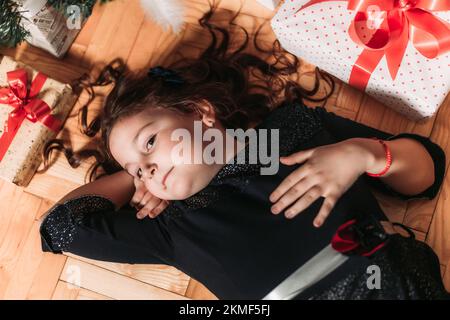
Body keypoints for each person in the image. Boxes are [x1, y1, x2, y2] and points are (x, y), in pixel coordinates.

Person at [38, 4, 448, 300]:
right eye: (137, 169)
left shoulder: (293, 131)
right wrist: (132, 179)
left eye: (150, 143)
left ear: (200, 113)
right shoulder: (170, 229)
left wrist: (364, 153)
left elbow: (427, 174)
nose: (148, 170)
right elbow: (60, 228)